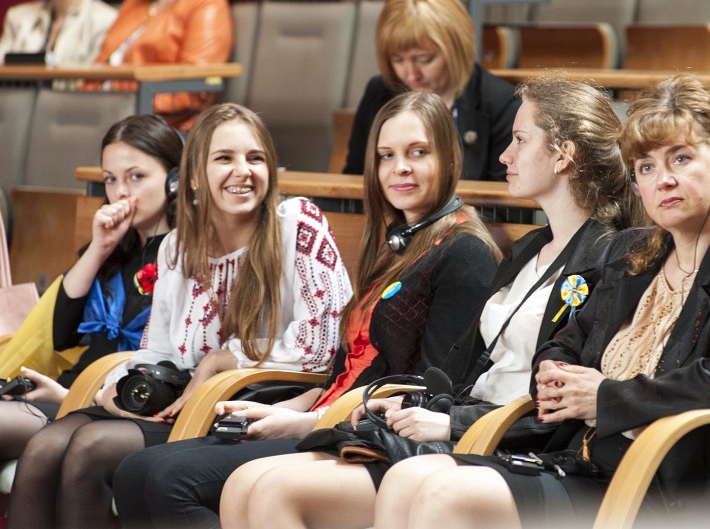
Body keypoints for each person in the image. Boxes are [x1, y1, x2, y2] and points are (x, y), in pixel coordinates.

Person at [373, 74, 710, 529]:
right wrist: (558, 370)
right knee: (407, 478)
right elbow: (565, 339)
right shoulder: (633, 254)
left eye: (680, 159)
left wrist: (603, 397)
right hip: (587, 466)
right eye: (645, 167)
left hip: (673, 492)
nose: (663, 180)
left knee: (445, 495)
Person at [214, 76, 640, 529]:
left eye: (519, 140)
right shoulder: (530, 247)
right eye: (385, 156)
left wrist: (451, 422)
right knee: (244, 484)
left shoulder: (607, 258)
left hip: (508, 437)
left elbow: (559, 402)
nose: (503, 155)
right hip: (468, 419)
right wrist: (414, 404)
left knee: (272, 490)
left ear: (562, 154)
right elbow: (467, 368)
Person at [112, 90, 503, 528]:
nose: (400, 168)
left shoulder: (464, 253)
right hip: (332, 418)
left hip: (379, 441)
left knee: (170, 480)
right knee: (135, 473)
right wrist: (289, 412)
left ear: (449, 158)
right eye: (386, 156)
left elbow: (427, 394)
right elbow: (346, 371)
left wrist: (307, 422)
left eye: (418, 152)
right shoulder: (400, 245)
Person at [6, 103, 352, 529]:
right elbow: (157, 350)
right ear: (193, 177)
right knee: (46, 447)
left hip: (247, 405)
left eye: (255, 158)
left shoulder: (297, 223)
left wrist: (224, 359)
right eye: (224, 158)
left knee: (89, 449)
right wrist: (114, 390)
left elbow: (321, 347)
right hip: (181, 400)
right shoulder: (178, 247)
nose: (243, 171)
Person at [0, 114, 181, 465]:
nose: (121, 192)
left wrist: (70, 396)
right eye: (111, 179)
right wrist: (98, 248)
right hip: (67, 389)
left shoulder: (184, 257)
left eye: (136, 177)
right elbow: (60, 336)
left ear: (174, 180)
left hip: (112, 403)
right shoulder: (115, 249)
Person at [343, 0, 520, 181]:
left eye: (424, 59)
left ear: (456, 48)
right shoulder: (379, 92)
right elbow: (355, 180)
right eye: (398, 59)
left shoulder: (502, 103)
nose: (411, 74)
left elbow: (503, 197)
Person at [92, 0, 233, 130]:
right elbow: (100, 65)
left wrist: (124, 103)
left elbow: (194, 88)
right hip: (106, 114)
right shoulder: (135, 0)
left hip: (161, 128)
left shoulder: (208, 2)